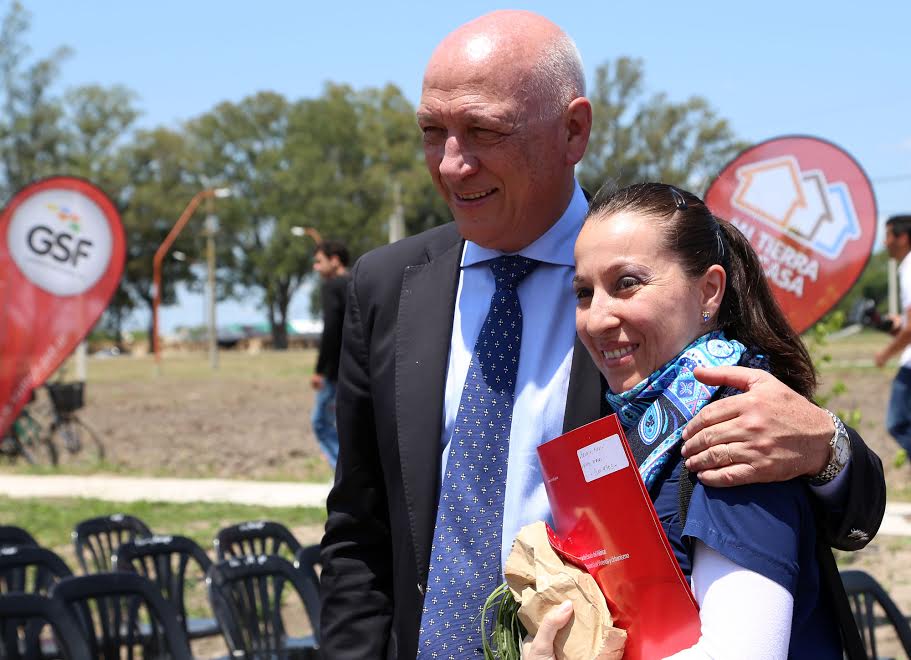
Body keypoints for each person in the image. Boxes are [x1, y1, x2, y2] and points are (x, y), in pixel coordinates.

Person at [319, 10, 885, 659]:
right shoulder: (386, 286)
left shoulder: (666, 292)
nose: (452, 164)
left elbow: (799, 508)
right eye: (431, 132)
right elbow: (358, 531)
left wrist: (826, 448)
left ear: (572, 128)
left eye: (482, 130)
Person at [528, 182, 855, 659]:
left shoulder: (740, 428)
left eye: (626, 283)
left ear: (709, 291)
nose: (596, 318)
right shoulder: (635, 420)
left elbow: (744, 651)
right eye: (583, 291)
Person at [310, 240, 350, 469]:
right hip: (357, 369)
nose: (315, 268)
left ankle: (342, 476)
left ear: (334, 260)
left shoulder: (333, 286)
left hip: (335, 372)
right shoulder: (358, 281)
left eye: (319, 261)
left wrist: (319, 371)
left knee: (320, 423)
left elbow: (331, 330)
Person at [875, 214, 911, 455]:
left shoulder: (909, 267)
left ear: (903, 237)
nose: (884, 242)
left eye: (888, 235)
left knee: (897, 423)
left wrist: (884, 354)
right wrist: (892, 325)